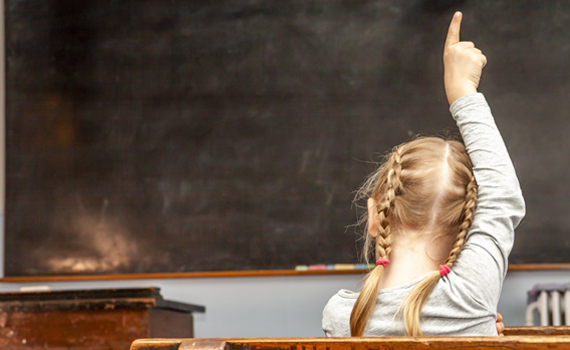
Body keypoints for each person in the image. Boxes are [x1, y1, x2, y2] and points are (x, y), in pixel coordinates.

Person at [322, 12, 525, 337]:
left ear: (375, 216)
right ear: (469, 227)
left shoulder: (341, 316)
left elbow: (500, 198)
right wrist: (462, 90)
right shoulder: (470, 297)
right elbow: (501, 197)